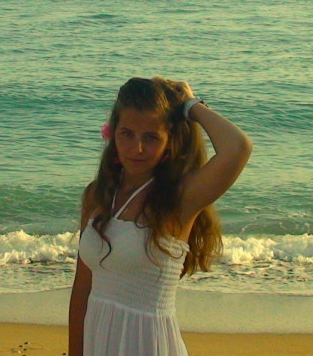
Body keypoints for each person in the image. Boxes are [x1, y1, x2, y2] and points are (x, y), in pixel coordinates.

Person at [69, 77, 252, 356]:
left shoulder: (180, 198)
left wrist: (191, 105)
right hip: (99, 341)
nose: (137, 148)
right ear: (112, 133)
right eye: (127, 133)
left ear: (170, 142)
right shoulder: (98, 194)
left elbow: (238, 147)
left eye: (151, 137)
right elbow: (82, 289)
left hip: (148, 344)